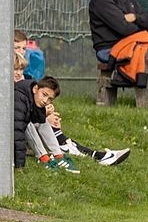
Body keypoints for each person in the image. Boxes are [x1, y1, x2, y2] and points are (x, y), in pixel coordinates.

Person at [14, 32, 131, 166]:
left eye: (24, 48)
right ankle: (62, 155)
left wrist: (46, 111)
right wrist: (42, 115)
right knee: (38, 122)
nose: (21, 52)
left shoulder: (25, 77)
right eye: (17, 48)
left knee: (48, 123)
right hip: (20, 131)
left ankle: (88, 154)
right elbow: (19, 115)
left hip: (28, 126)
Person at [13, 76, 79, 174]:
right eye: (44, 95)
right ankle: (43, 158)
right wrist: (19, 166)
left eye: (49, 99)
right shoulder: (19, 97)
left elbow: (37, 119)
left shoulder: (32, 97)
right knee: (27, 122)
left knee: (42, 121)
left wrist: (44, 114)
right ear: (35, 89)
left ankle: (58, 156)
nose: (45, 101)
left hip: (19, 138)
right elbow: (17, 132)